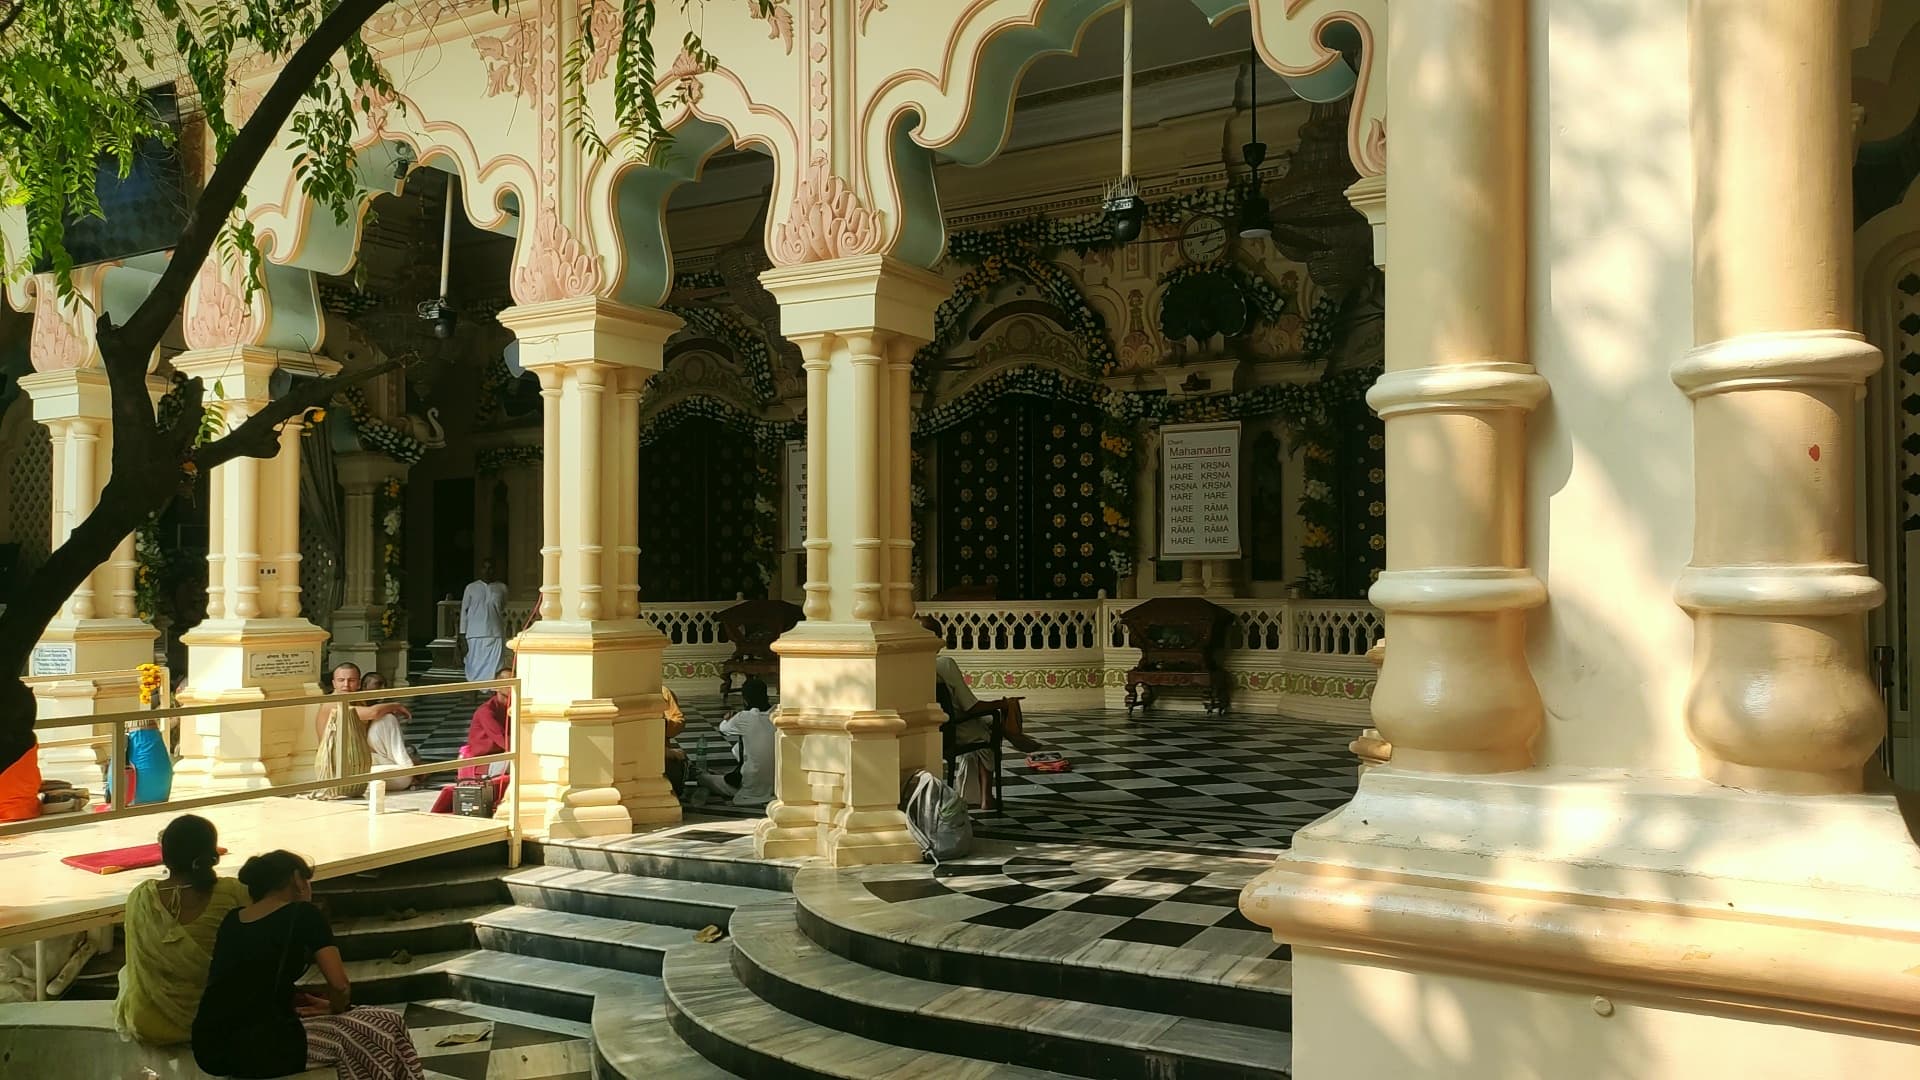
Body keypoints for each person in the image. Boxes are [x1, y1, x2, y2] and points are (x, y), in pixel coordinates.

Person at [192, 851, 423, 1080]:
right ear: (296, 879)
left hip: (210, 1046)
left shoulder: (233, 920)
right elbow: (340, 985)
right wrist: (336, 1006)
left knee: (375, 1022)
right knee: (382, 1025)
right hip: (264, 1044)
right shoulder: (303, 914)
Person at [113, 815, 248, 1045]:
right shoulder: (233, 891)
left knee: (128, 971)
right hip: (213, 1021)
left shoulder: (140, 896)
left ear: (165, 855)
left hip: (147, 1023)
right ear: (212, 854)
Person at [921, 616, 1041, 753]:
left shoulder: (907, 666)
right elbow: (971, 707)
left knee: (988, 721)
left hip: (924, 731)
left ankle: (1011, 734)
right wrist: (1004, 703)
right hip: (954, 730)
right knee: (989, 726)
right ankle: (1011, 736)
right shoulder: (944, 664)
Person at [311, 663, 410, 799]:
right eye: (341, 680)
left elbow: (371, 733)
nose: (346, 685)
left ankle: (406, 767)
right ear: (334, 683)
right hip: (340, 768)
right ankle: (407, 771)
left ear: (358, 684)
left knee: (386, 719)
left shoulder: (357, 700)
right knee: (403, 778)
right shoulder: (332, 704)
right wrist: (395, 705)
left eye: (351, 680)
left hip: (361, 759)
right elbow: (372, 713)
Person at [429, 669, 514, 814]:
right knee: (520, 765)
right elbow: (504, 741)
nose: (512, 686)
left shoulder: (512, 708)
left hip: (502, 755)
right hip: (486, 761)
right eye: (507, 682)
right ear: (496, 686)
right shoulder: (487, 711)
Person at [697, 676, 775, 808]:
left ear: (744, 699)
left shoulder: (744, 717)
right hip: (779, 783)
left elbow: (723, 728)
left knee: (704, 779)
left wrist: (729, 718)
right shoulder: (778, 713)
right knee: (738, 747)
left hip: (753, 785)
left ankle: (709, 777)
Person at [458, 561, 509, 686]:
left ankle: (491, 692)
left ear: (495, 570)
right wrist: (462, 634)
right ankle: (474, 690)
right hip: (474, 634)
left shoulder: (502, 588)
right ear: (480, 570)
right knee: (474, 664)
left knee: (495, 665)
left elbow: (503, 606)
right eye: (484, 568)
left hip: (495, 633)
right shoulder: (471, 588)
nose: (487, 571)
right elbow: (464, 611)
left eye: (491, 568)